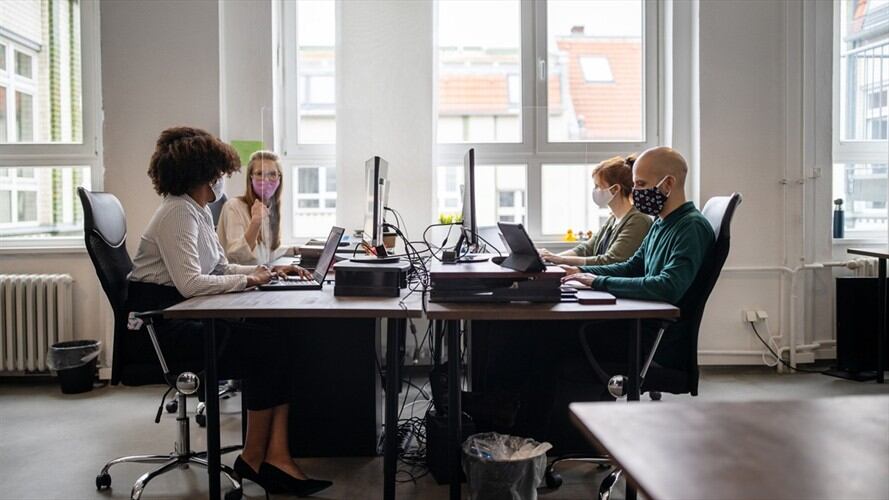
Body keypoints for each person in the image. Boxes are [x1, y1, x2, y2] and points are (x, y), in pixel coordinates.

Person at [126, 127, 332, 497]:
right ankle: (257, 458)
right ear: (201, 173)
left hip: (185, 316)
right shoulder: (177, 213)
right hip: (163, 330)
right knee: (269, 347)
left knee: (278, 337)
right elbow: (191, 283)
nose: (222, 178)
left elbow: (219, 268)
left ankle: (274, 456)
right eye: (218, 171)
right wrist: (249, 280)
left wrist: (269, 272)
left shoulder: (198, 210)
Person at [539, 155, 651, 267]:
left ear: (615, 189)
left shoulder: (638, 221)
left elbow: (610, 261)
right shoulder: (613, 219)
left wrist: (560, 259)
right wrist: (551, 259)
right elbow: (586, 249)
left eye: (598, 186)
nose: (595, 190)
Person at [217, 150, 292, 265]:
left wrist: (297, 250)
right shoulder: (234, 206)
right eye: (259, 173)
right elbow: (237, 257)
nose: (266, 179)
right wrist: (255, 222)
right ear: (250, 177)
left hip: (262, 274)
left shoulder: (270, 209)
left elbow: (267, 255)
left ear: (279, 178)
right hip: (241, 275)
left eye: (272, 174)